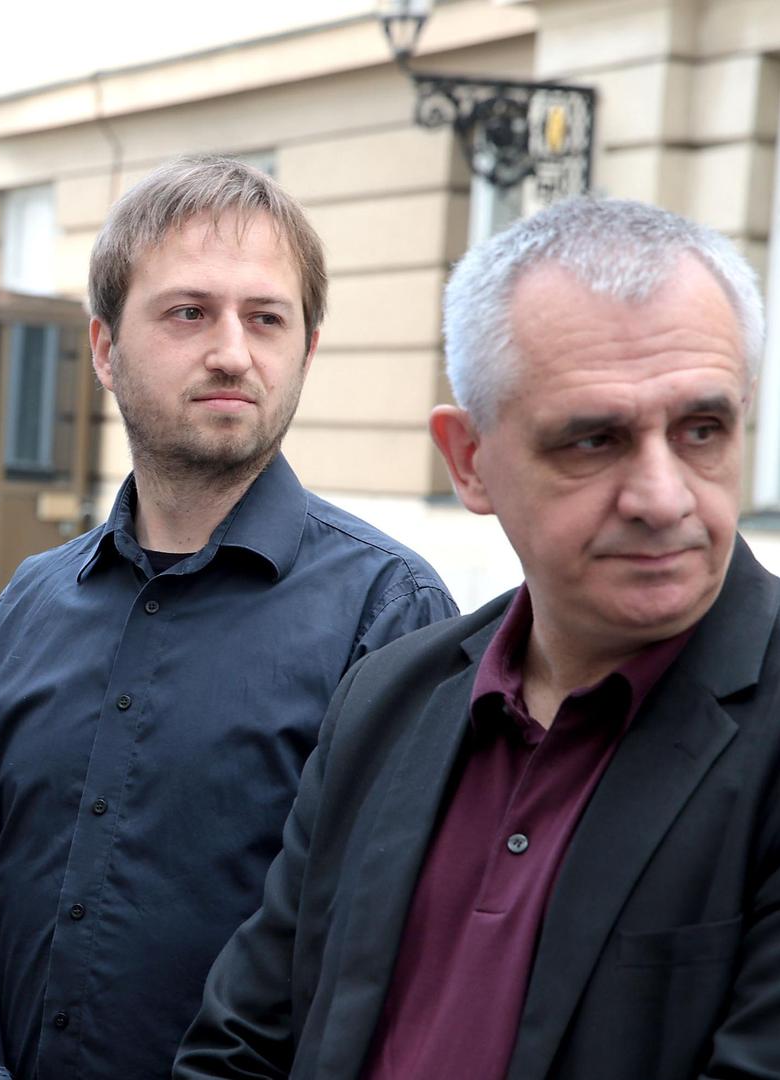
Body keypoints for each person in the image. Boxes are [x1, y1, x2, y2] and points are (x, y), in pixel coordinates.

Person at [175, 197, 780, 1080]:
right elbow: (240, 1044)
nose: (662, 497)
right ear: (468, 460)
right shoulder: (387, 701)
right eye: (594, 440)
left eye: (702, 431)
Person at [0, 154, 456, 1079]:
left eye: (266, 318)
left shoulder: (390, 614)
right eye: (189, 312)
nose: (233, 351)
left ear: (307, 351)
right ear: (105, 349)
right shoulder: (32, 605)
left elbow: (383, 964)